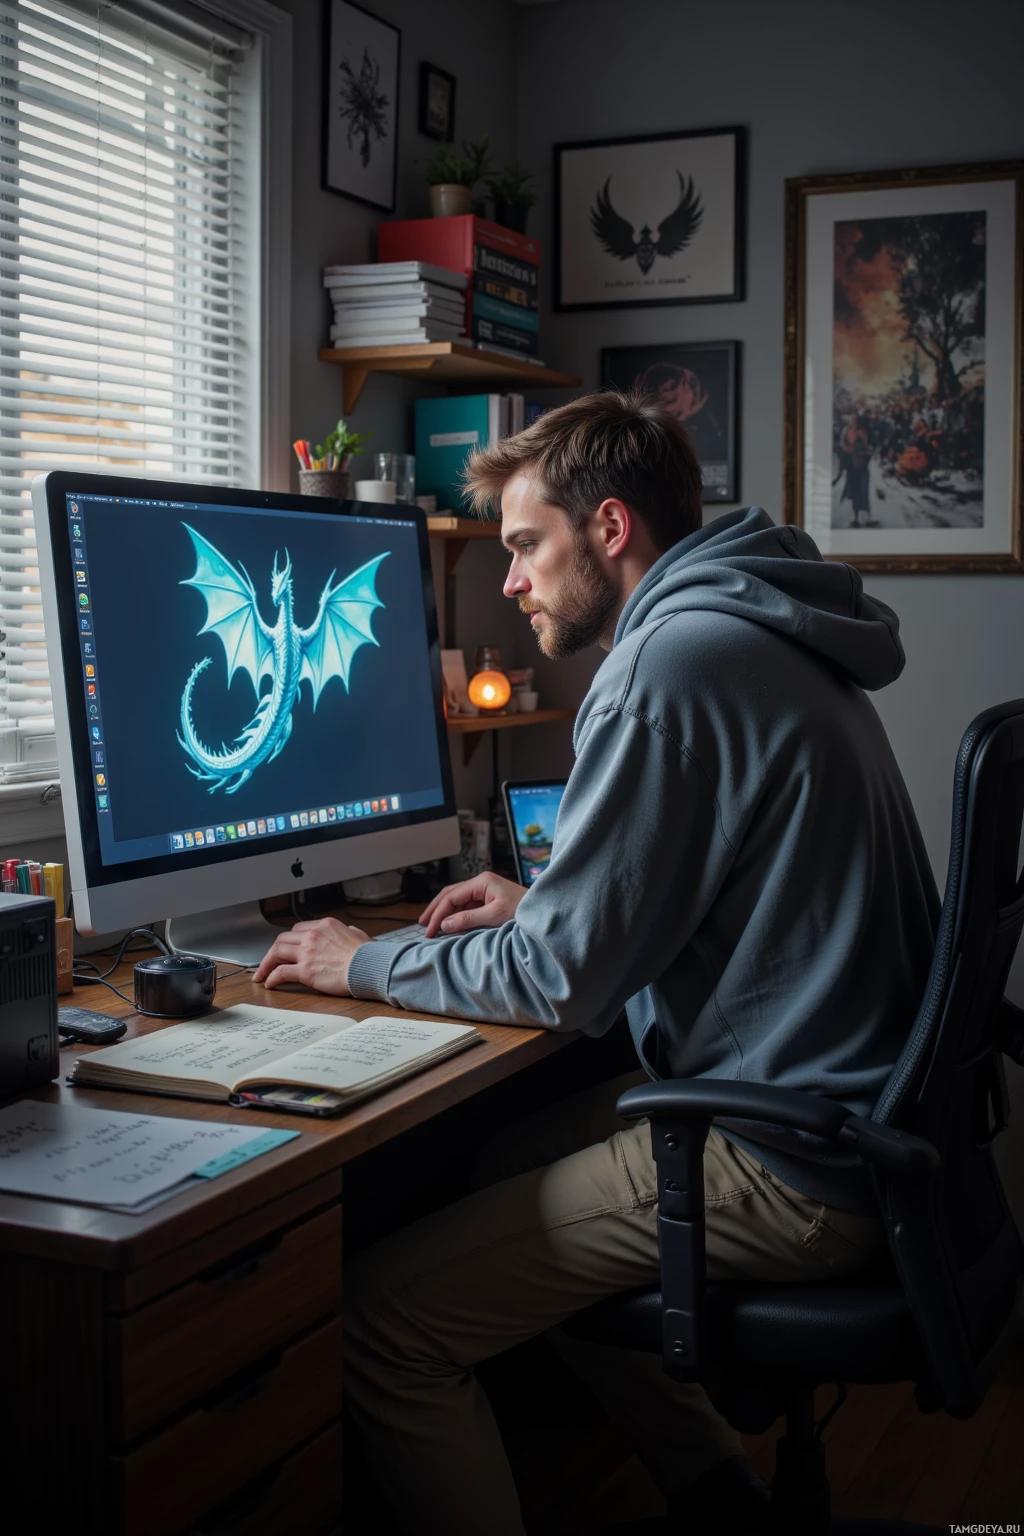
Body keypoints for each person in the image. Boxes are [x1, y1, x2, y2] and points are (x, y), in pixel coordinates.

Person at [253, 391, 939, 1536]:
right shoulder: (760, 623)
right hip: (861, 1120)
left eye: (526, 545)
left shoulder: (665, 665)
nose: (510, 581)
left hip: (793, 1162)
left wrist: (359, 964)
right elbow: (712, 888)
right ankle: (718, 1495)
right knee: (501, 1162)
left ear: (609, 529)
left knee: (381, 1325)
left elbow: (557, 986)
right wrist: (546, 902)